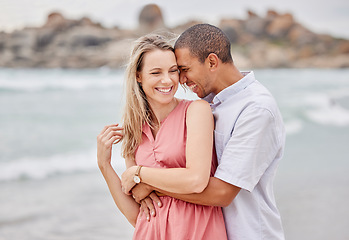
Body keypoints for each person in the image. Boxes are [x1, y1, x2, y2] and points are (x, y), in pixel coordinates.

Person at [132, 24, 286, 240]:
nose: (181, 80)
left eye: (183, 69)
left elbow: (221, 193)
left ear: (212, 62)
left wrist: (147, 182)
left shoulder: (256, 109)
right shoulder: (210, 103)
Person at [96, 34, 227, 239]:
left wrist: (140, 175)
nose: (167, 80)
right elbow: (136, 216)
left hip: (198, 233)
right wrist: (104, 165)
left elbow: (196, 179)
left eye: (173, 71)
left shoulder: (196, 111)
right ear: (138, 76)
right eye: (156, 72)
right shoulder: (134, 128)